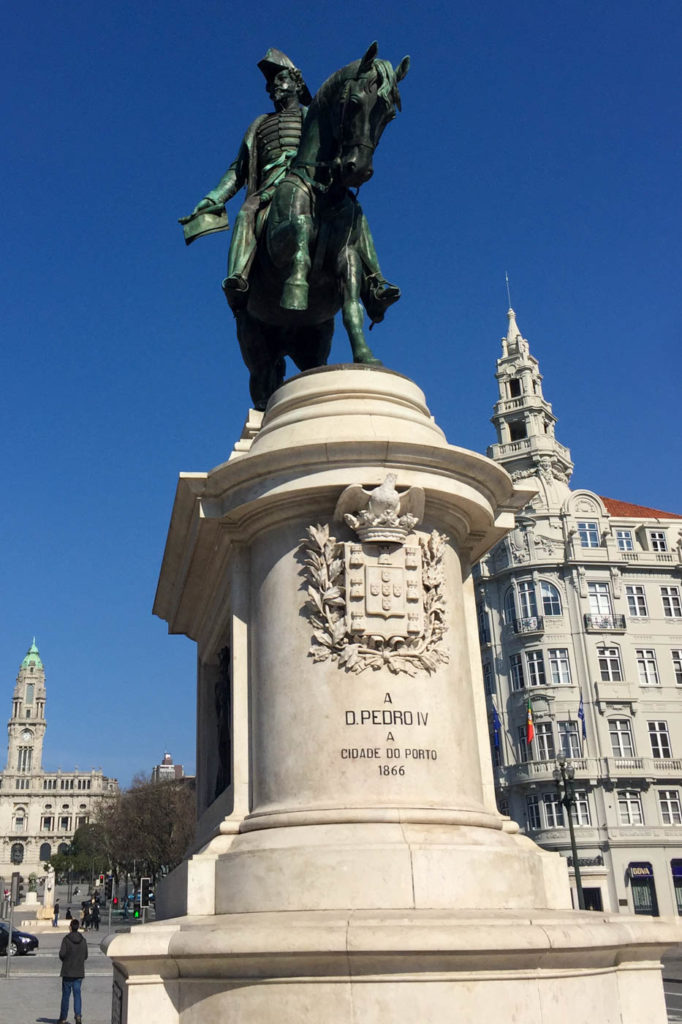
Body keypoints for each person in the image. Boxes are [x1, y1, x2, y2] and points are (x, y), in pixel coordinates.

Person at [185, 49, 398, 322]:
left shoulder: (314, 116)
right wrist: (215, 197)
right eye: (272, 83)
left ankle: (375, 283)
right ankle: (238, 277)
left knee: (354, 210)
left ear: (298, 84)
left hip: (312, 184)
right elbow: (237, 170)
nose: (275, 85)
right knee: (247, 211)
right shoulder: (260, 124)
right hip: (271, 188)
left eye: (282, 79)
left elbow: (337, 143)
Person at [58, 918, 88, 1024]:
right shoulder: (83, 940)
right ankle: (78, 1016)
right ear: (78, 927)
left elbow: (62, 954)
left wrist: (66, 961)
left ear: (70, 927)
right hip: (79, 972)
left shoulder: (66, 939)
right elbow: (85, 956)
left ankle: (63, 1018)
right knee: (77, 995)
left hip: (67, 971)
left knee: (66, 995)